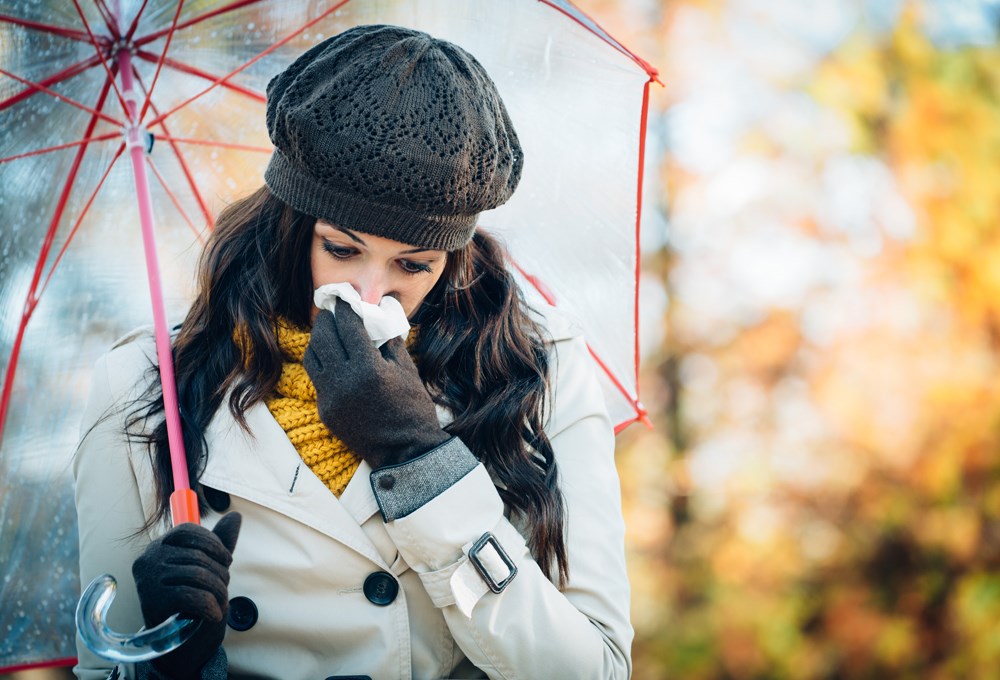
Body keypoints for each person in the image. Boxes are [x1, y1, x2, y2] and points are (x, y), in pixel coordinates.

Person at [73, 24, 632, 680]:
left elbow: (594, 668)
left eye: (413, 264)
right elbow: (101, 667)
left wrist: (422, 464)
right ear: (291, 224)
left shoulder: (540, 372)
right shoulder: (146, 385)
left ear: (452, 258)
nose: (371, 291)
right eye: (340, 249)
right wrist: (170, 664)